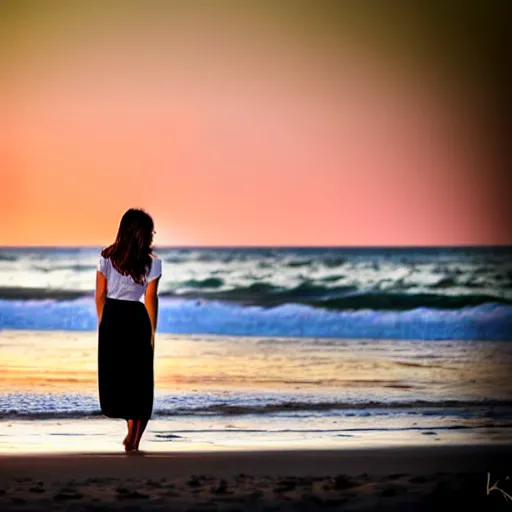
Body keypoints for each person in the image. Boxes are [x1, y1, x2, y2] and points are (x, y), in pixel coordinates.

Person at [95, 208, 162, 452]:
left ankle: (131, 436)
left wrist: (103, 324)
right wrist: (153, 331)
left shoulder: (105, 257)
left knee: (120, 379)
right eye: (149, 230)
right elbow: (151, 299)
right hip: (136, 318)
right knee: (141, 382)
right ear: (140, 233)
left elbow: (100, 296)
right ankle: (134, 439)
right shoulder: (152, 262)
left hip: (112, 318)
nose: (153, 234)